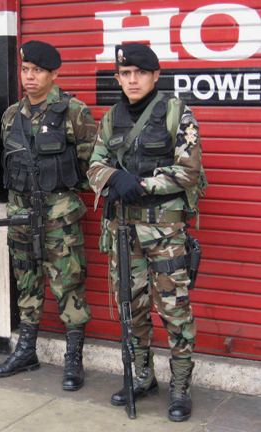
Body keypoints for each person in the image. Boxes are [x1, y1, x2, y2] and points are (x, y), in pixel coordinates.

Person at [88, 43, 204, 422]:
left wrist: (140, 184)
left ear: (155, 76)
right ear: (118, 78)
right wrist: (112, 178)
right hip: (123, 230)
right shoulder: (111, 118)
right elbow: (94, 165)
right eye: (125, 73)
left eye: (140, 72)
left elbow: (189, 171)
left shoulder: (176, 113)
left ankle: (180, 385)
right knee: (131, 305)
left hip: (164, 232)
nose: (132, 80)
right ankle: (143, 375)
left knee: (174, 308)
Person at [0, 40, 96, 391]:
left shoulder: (73, 111)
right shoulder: (11, 115)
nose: (29, 77)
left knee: (69, 286)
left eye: (37, 70)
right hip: (21, 215)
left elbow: (92, 165)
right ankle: (26, 351)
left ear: (54, 74)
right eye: (25, 70)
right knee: (27, 283)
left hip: (59, 217)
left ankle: (73, 359)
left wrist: (62, 191)